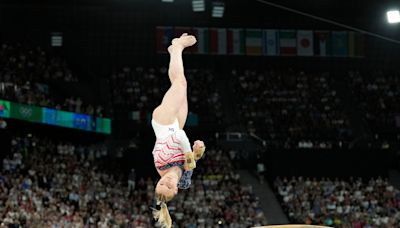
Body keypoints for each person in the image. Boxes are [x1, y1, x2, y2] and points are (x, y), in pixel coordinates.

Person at [151, 33, 206, 228]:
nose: (166, 182)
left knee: (179, 83)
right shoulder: (184, 182)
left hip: (163, 121)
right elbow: (190, 160)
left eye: (161, 184)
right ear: (176, 191)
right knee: (182, 83)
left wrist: (190, 155)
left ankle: (177, 47)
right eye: (169, 187)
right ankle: (175, 51)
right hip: (176, 125)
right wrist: (198, 151)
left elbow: (180, 138)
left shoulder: (161, 163)